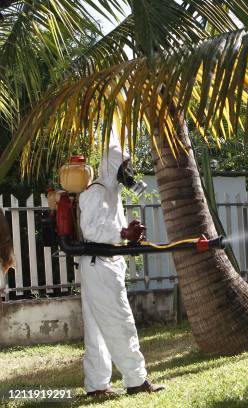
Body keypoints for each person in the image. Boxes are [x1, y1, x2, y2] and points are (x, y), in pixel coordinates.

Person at [78, 135, 164, 397]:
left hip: (104, 266)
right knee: (120, 321)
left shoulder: (112, 192)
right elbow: (90, 229)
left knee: (97, 329)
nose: (129, 170)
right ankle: (136, 380)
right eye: (125, 164)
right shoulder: (96, 191)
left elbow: (112, 229)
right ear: (113, 163)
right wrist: (123, 233)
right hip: (99, 266)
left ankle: (96, 385)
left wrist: (129, 234)